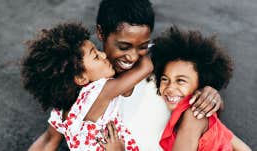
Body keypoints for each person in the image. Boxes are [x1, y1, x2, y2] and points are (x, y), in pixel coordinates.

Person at [27, 0, 224, 150]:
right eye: (123, 46)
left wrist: (211, 94)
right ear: (101, 33)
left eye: (142, 46)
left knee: (195, 116)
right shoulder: (80, 86)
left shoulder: (165, 64)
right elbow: (49, 139)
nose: (132, 56)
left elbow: (204, 112)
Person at [21, 22, 153, 151]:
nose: (104, 54)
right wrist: (141, 45)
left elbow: (48, 141)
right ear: (81, 78)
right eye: (96, 56)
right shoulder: (100, 91)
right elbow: (146, 67)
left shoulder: (61, 109)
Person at [151, 26, 251, 151]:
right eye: (165, 79)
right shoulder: (196, 112)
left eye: (180, 81)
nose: (170, 88)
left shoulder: (194, 115)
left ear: (201, 85)